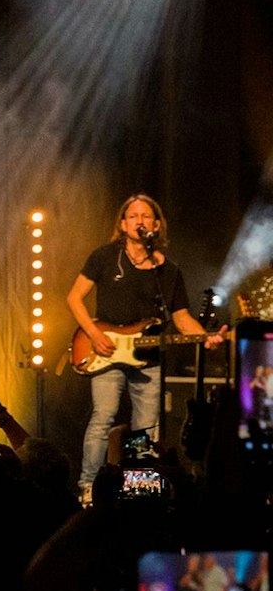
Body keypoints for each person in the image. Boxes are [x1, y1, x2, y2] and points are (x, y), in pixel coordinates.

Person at [65, 193, 223, 493]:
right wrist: (94, 334)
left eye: (146, 216)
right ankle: (88, 486)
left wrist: (205, 337)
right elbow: (74, 298)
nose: (140, 220)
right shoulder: (104, 257)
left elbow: (181, 316)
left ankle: (137, 487)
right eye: (133, 216)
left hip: (148, 358)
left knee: (147, 428)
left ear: (157, 223)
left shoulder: (169, 270)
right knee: (103, 416)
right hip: (105, 351)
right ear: (123, 224)